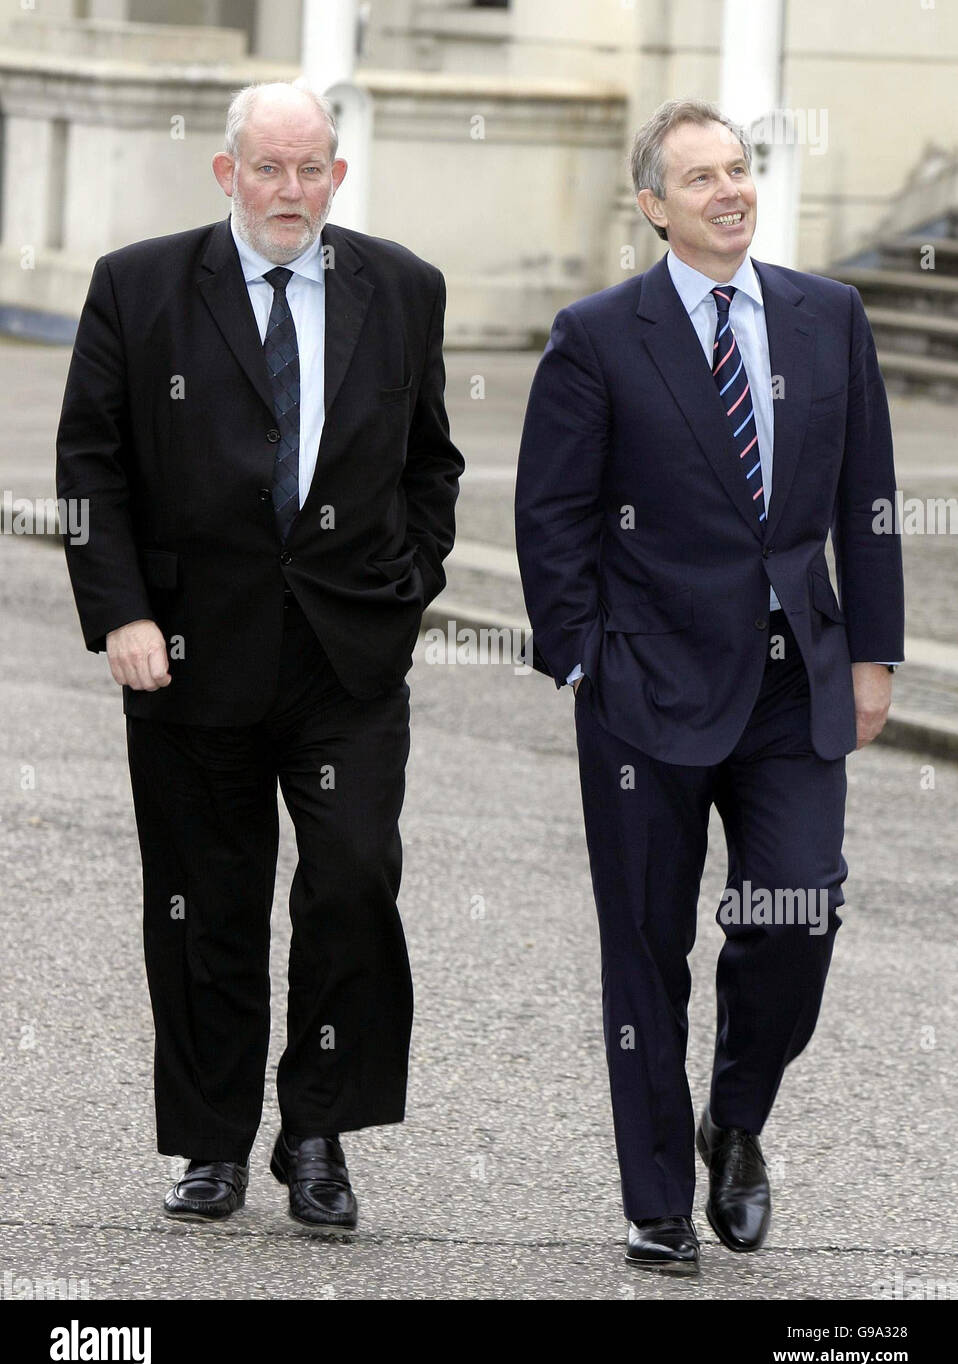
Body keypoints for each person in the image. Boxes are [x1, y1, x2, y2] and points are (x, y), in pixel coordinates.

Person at [56, 79, 464, 1232]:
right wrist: (122, 614)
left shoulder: (402, 288)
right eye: (270, 168)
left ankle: (320, 1128)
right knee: (203, 902)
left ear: (338, 173)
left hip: (346, 657)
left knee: (350, 881)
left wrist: (409, 584)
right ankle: (210, 1141)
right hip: (185, 655)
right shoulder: (139, 287)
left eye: (314, 167)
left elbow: (430, 463)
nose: (293, 190)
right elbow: (90, 467)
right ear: (227, 173)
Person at [514, 98, 904, 1274]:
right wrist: (583, 655)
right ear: (653, 206)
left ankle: (734, 1119)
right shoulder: (597, 334)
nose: (729, 191)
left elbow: (867, 500)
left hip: (796, 683)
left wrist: (875, 652)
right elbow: (552, 515)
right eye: (700, 179)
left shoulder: (828, 315)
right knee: (643, 946)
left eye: (739, 170)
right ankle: (654, 1202)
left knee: (797, 909)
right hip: (645, 685)